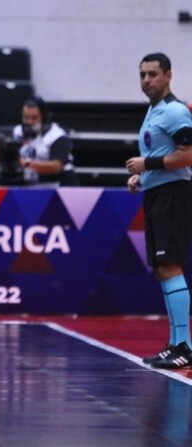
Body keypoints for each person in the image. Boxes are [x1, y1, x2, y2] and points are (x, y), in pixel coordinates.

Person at [125, 52, 192, 369]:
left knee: (171, 266)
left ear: (168, 75)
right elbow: (166, 155)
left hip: (173, 195)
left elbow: (188, 155)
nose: (147, 80)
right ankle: (175, 344)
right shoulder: (154, 112)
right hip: (157, 192)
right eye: (143, 75)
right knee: (163, 268)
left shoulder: (174, 112)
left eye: (153, 74)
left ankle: (185, 346)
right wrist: (143, 176)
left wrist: (147, 164)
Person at [0, 96, 79, 186]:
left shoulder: (57, 135)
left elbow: (56, 166)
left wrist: (26, 163)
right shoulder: (18, 131)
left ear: (44, 118)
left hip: (59, 183)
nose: (29, 122)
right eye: (26, 118)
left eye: (34, 118)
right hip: (33, 183)